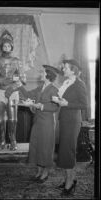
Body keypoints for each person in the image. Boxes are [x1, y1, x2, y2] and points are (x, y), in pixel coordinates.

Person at [19, 65, 61, 183]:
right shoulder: (40, 87)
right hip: (37, 120)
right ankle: (38, 171)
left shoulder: (54, 89)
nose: (41, 74)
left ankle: (45, 172)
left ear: (48, 75)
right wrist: (19, 86)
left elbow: (55, 106)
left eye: (42, 72)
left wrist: (41, 106)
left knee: (45, 147)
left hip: (47, 122)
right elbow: (27, 94)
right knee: (36, 145)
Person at [52, 59, 88, 195]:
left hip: (72, 121)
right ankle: (71, 179)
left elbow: (84, 105)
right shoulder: (67, 82)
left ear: (73, 70)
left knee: (68, 150)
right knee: (66, 150)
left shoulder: (79, 84)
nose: (63, 70)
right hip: (65, 119)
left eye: (66, 68)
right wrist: (60, 101)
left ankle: (69, 183)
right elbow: (66, 100)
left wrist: (67, 104)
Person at [0, 30, 26, 151]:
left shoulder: (17, 61)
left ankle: (13, 140)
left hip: (13, 91)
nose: (6, 47)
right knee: (0, 119)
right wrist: (5, 80)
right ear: (1, 47)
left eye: (8, 45)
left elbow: (23, 79)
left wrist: (13, 86)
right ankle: (2, 141)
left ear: (12, 47)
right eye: (4, 45)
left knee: (13, 119)